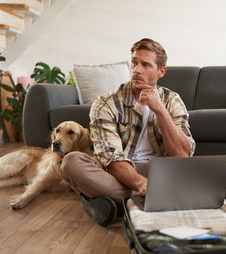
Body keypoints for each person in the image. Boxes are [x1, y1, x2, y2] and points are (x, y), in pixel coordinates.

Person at [61, 38, 195, 226]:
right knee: (71, 162)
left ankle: (108, 203)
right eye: (134, 63)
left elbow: (181, 155)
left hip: (161, 171)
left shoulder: (172, 101)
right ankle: (159, 200)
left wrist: (160, 111)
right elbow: (112, 159)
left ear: (161, 71)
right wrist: (142, 184)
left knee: (192, 174)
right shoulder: (106, 103)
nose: (136, 70)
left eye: (146, 65)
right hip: (118, 172)